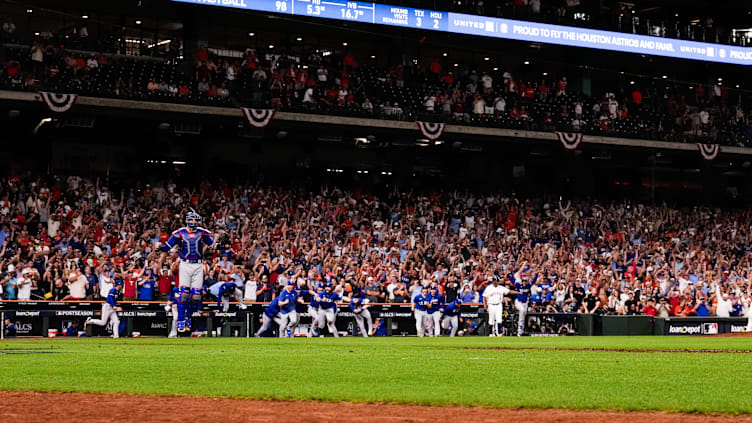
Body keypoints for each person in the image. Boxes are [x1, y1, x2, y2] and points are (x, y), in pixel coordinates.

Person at [160, 211, 215, 333]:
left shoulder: (202, 232)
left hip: (198, 264)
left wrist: (223, 244)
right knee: (184, 294)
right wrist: (159, 246)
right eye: (192, 220)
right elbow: (167, 246)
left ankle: (187, 317)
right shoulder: (179, 233)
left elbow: (213, 245)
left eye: (196, 220)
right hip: (185, 263)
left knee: (196, 296)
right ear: (186, 220)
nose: (194, 222)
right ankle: (180, 320)